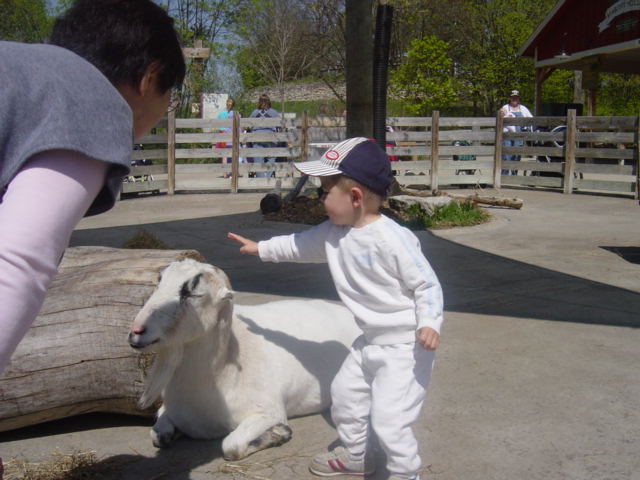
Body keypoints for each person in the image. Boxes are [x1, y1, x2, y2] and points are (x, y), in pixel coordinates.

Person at [228, 137, 444, 480]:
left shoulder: (392, 239)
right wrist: (261, 248)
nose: (319, 200)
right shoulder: (333, 233)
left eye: (324, 192)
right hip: (369, 341)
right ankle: (357, 455)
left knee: (390, 421)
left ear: (355, 198)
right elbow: (298, 245)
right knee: (344, 397)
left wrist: (430, 322)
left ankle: (406, 474)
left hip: (405, 346)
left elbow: (426, 284)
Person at [0, 0, 185, 374]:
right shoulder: (91, 100)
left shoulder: (16, 66)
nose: (166, 107)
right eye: (170, 96)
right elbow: (17, 262)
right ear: (150, 77)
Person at [500, 89, 533, 175]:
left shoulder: (523, 109)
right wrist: (501, 112)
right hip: (507, 136)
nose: (514, 99)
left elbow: (532, 119)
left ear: (519, 99)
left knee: (516, 157)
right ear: (510, 98)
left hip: (519, 136)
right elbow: (500, 116)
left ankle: (514, 177)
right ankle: (504, 176)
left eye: (516, 98)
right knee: (506, 156)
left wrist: (526, 127)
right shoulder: (505, 107)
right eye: (513, 98)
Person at [249, 94, 280, 177]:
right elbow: (280, 124)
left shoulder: (255, 112)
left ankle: (261, 179)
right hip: (270, 137)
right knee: (271, 158)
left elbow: (248, 124)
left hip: (257, 137)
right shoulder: (273, 112)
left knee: (258, 159)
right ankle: (268, 177)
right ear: (269, 102)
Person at [216, 97, 243, 168]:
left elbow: (218, 126)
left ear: (226, 104)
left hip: (223, 134)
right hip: (232, 135)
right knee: (235, 154)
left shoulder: (221, 114)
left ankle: (225, 172)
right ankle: (234, 171)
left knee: (224, 155)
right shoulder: (235, 114)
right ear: (233, 105)